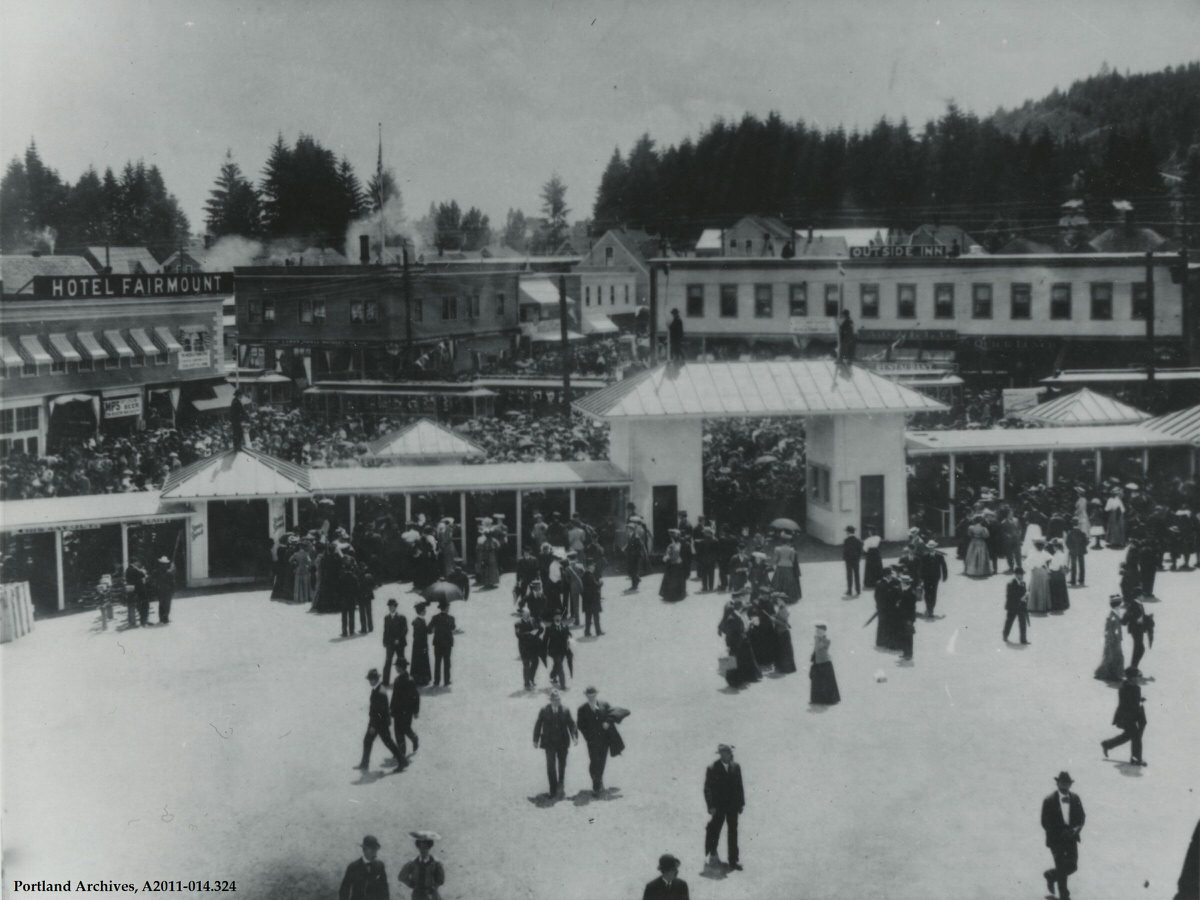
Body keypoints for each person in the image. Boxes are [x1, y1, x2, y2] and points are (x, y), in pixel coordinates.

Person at [1040, 772, 1085, 900]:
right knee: (1061, 866)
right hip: (1056, 839)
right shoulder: (1049, 800)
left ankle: (1051, 875)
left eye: (1067, 783)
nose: (1065, 785)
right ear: (1057, 784)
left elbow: (1082, 817)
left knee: (1072, 866)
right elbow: (1045, 822)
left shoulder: (1075, 798)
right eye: (1062, 783)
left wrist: (1076, 830)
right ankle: (1064, 896)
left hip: (1071, 837)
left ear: (1070, 785)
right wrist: (1059, 833)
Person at [703, 744, 745, 870]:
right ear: (721, 754)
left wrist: (741, 803)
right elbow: (707, 789)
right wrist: (711, 806)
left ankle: (733, 861)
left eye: (729, 752)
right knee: (715, 830)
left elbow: (739, 786)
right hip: (718, 807)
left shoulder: (736, 767)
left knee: (733, 832)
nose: (728, 755)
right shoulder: (712, 768)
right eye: (724, 753)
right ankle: (713, 856)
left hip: (733, 806)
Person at [533, 689, 578, 799]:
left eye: (558, 699)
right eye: (554, 700)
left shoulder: (565, 710)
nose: (557, 701)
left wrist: (574, 737)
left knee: (562, 764)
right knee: (551, 766)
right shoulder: (544, 710)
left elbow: (571, 724)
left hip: (563, 743)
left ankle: (560, 784)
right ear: (551, 700)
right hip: (549, 743)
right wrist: (535, 739)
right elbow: (538, 724)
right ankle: (552, 789)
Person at [357, 669, 404, 771]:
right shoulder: (378, 689)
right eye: (369, 679)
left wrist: (373, 726)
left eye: (371, 679)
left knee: (387, 742)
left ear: (376, 679)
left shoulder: (379, 692)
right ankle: (364, 763)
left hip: (379, 723)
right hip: (379, 722)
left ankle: (402, 761)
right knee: (369, 741)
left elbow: (379, 712)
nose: (369, 681)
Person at [576, 686, 616, 797]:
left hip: (604, 740)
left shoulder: (604, 705)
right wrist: (588, 737)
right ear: (586, 696)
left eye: (593, 696)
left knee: (602, 761)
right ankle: (596, 785)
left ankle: (599, 781)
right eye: (589, 696)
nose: (591, 698)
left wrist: (608, 723)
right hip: (592, 741)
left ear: (596, 695)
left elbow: (612, 715)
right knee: (594, 762)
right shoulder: (582, 709)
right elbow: (580, 725)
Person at [1101, 673, 1148, 766]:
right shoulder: (1124, 688)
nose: (1138, 679)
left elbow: (1135, 701)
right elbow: (1126, 704)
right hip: (1126, 716)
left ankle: (1107, 744)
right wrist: (1138, 702)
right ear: (1131, 678)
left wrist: (1140, 700)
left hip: (1136, 714)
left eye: (1138, 677)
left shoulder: (1137, 688)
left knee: (1129, 735)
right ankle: (1136, 759)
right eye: (1136, 677)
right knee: (1135, 736)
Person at [339, 835, 389, 900]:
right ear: (364, 849)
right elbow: (344, 890)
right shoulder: (353, 867)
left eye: (376, 850)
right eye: (372, 850)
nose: (375, 853)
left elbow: (385, 890)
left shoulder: (380, 866)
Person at [397, 831, 445, 900]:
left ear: (429, 847)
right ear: (418, 847)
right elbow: (401, 876)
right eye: (421, 847)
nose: (423, 850)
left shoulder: (436, 863)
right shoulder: (412, 863)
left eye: (425, 847)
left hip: (431, 895)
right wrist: (411, 884)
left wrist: (434, 888)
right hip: (417, 895)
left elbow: (440, 880)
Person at [389, 662, 420, 759]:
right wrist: (391, 708)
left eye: (397, 666)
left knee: (406, 728)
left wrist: (416, 711)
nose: (396, 668)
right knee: (398, 731)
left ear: (401, 667)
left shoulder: (410, 680)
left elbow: (416, 697)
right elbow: (394, 696)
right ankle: (402, 752)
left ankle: (414, 738)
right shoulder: (397, 680)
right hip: (398, 710)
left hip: (407, 711)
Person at [1094, 596, 1125, 682]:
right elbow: (1112, 630)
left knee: (1110, 657)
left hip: (1114, 639)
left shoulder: (1115, 613)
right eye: (1119, 604)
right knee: (1115, 657)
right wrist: (1115, 639)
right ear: (1117, 605)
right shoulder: (1113, 616)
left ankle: (1103, 673)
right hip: (1113, 640)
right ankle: (1114, 675)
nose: (1120, 606)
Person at [809, 623, 840, 705]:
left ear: (823, 632)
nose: (817, 632)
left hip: (825, 663)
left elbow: (817, 647)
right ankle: (817, 700)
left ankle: (829, 700)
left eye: (819, 630)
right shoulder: (818, 639)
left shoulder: (826, 640)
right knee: (817, 681)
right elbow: (815, 650)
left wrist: (817, 639)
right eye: (817, 630)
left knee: (826, 682)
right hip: (817, 662)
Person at [515, 608, 544, 690]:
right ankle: (526, 683)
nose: (527, 616)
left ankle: (531, 678)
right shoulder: (518, 624)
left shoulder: (533, 620)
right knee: (526, 665)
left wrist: (538, 631)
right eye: (526, 614)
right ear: (522, 615)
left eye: (528, 614)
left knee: (535, 662)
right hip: (524, 648)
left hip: (533, 646)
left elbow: (540, 629)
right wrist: (529, 634)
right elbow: (518, 635)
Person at [382, 599, 408, 687]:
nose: (390, 608)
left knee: (401, 661)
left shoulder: (402, 617)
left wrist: (398, 639)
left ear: (395, 607)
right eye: (389, 606)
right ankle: (385, 681)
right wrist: (384, 641)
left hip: (399, 643)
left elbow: (405, 630)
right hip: (390, 644)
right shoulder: (386, 618)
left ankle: (404, 679)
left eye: (392, 606)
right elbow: (385, 631)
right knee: (388, 661)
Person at [919, 540, 948, 618]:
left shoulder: (939, 556)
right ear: (928, 548)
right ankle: (928, 607)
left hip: (935, 578)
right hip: (926, 578)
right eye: (930, 547)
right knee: (927, 593)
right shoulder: (924, 556)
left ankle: (931, 609)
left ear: (935, 547)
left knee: (933, 593)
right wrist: (921, 578)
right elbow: (921, 567)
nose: (931, 549)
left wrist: (945, 576)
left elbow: (944, 566)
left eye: (933, 547)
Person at [430, 600, 455, 687]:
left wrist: (433, 630)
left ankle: (436, 681)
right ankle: (446, 681)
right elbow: (453, 627)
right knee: (447, 663)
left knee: (437, 662)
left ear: (440, 608)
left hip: (437, 643)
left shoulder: (435, 618)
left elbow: (429, 629)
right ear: (447, 608)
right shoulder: (451, 618)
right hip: (447, 644)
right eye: (448, 607)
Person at [543, 612, 572, 690]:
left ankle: (552, 675)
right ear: (553, 618)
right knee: (560, 666)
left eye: (559, 616)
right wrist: (544, 650)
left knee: (557, 665)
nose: (557, 618)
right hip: (554, 651)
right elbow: (545, 640)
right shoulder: (549, 628)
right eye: (556, 617)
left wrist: (569, 637)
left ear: (561, 618)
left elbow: (568, 635)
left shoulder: (565, 627)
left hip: (563, 650)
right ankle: (563, 685)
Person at [770, 533, 801, 603]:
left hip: (780, 566)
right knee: (789, 582)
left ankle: (776, 598)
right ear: (788, 541)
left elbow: (776, 559)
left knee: (778, 581)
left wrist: (778, 561)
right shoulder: (791, 550)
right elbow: (792, 560)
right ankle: (790, 598)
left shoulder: (777, 549)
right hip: (788, 567)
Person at [1122, 594, 1148, 676]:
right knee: (1139, 648)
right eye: (1142, 595)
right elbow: (1129, 616)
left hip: (1140, 630)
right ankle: (1133, 668)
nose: (1143, 597)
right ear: (1138, 596)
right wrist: (1136, 620)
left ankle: (1134, 667)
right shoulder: (1133, 604)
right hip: (1135, 630)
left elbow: (1141, 615)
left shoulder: (1140, 604)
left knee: (1139, 648)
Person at [1002, 568, 1030, 645]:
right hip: (1012, 607)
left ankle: (1023, 640)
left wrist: (1026, 596)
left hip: (1021, 606)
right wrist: (1020, 598)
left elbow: (1024, 592)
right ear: (1017, 575)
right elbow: (1010, 596)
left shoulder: (1023, 583)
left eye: (1023, 574)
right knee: (1009, 622)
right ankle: (1005, 635)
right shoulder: (1011, 583)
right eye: (1021, 574)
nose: (1022, 576)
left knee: (1023, 623)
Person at [659, 530, 688, 602]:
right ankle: (680, 595)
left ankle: (672, 595)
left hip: (673, 565)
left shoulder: (671, 546)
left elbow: (667, 556)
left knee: (672, 580)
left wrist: (665, 558)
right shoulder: (681, 545)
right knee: (678, 580)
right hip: (679, 565)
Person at [771, 596, 796, 674]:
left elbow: (785, 624)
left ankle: (786, 668)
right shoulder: (781, 608)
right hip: (781, 632)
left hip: (783, 632)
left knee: (784, 652)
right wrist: (775, 616)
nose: (778, 602)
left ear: (783, 601)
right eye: (778, 600)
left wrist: (775, 620)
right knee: (782, 651)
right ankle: (782, 667)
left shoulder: (784, 610)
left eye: (780, 600)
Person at [1025, 540, 1051, 614]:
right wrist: (1046, 567)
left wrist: (1032, 568)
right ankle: (1042, 606)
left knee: (1035, 588)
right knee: (1042, 588)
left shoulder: (1032, 553)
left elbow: (1026, 562)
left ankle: (1034, 606)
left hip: (1036, 572)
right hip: (1043, 571)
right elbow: (1050, 559)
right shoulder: (1044, 553)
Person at [896, 574, 918, 661]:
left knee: (908, 637)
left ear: (905, 583)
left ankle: (909, 654)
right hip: (903, 617)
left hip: (908, 618)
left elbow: (912, 608)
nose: (900, 584)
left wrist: (910, 620)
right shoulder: (904, 591)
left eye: (901, 582)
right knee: (904, 635)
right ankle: (905, 653)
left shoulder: (910, 593)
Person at [625, 517, 650, 591]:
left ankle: (634, 585)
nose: (627, 530)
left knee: (634, 570)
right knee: (633, 570)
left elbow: (639, 546)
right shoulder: (631, 535)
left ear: (632, 529)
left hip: (635, 556)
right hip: (631, 556)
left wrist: (634, 554)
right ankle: (636, 581)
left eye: (629, 528)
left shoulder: (636, 536)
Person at [410, 602, 432, 687]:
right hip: (420, 645)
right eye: (424, 610)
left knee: (419, 662)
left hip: (418, 645)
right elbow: (420, 635)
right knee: (421, 662)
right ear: (421, 611)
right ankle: (421, 680)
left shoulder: (420, 620)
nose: (425, 611)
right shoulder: (420, 621)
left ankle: (420, 679)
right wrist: (423, 646)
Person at [125, 557, 150, 627]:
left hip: (133, 590)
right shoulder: (133, 569)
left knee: (136, 606)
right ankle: (143, 621)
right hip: (138, 590)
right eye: (137, 562)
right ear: (135, 562)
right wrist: (143, 571)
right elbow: (143, 575)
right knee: (144, 605)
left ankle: (139, 621)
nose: (139, 563)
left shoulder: (129, 569)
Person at [150, 555, 175, 625]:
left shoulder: (157, 571)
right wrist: (173, 590)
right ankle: (165, 619)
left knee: (161, 604)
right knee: (167, 605)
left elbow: (154, 579)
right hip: (167, 590)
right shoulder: (169, 572)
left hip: (160, 590)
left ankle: (161, 618)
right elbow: (172, 582)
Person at [582, 562, 603, 636]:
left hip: (587, 600)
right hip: (593, 599)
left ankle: (587, 632)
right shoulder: (590, 575)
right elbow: (595, 585)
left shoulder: (585, 575)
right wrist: (600, 583)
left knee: (588, 617)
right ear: (589, 567)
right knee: (596, 616)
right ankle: (598, 631)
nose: (594, 567)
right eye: (593, 566)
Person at [842, 526, 862, 597]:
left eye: (847, 531)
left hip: (849, 560)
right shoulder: (858, 540)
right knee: (857, 575)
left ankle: (849, 590)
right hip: (856, 560)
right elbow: (860, 551)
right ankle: (858, 590)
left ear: (848, 532)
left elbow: (845, 551)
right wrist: (858, 558)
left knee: (849, 575)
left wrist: (844, 558)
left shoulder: (846, 540)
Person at [1066, 522, 1088, 586]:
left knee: (1073, 566)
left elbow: (1067, 543)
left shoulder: (1070, 533)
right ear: (1078, 525)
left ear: (1073, 525)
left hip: (1073, 551)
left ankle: (1073, 580)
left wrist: (1070, 548)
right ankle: (1081, 580)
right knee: (1081, 565)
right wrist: (1083, 547)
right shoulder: (1082, 533)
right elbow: (1086, 542)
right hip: (1081, 551)